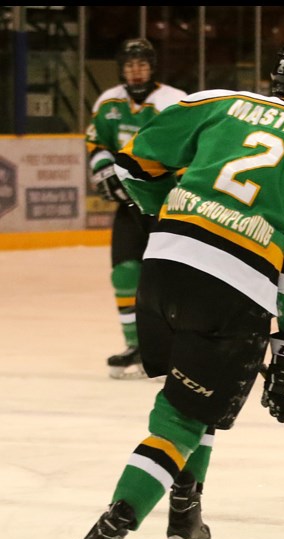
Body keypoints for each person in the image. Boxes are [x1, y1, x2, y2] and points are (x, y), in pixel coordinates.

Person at [64, 37, 284, 539]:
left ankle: (185, 514)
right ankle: (105, 534)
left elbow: (137, 163)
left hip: (162, 270)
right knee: (181, 419)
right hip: (233, 290)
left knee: (187, 400)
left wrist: (174, 220)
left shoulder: (218, 101)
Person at [86, 38, 187, 379]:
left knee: (169, 279)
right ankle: (136, 345)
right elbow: (96, 141)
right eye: (130, 64)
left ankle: (176, 345)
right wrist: (103, 169)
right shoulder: (108, 102)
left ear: (152, 66)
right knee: (125, 273)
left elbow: (190, 144)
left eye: (142, 63)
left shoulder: (172, 101)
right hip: (128, 204)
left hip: (164, 204)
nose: (136, 70)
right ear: (122, 68)